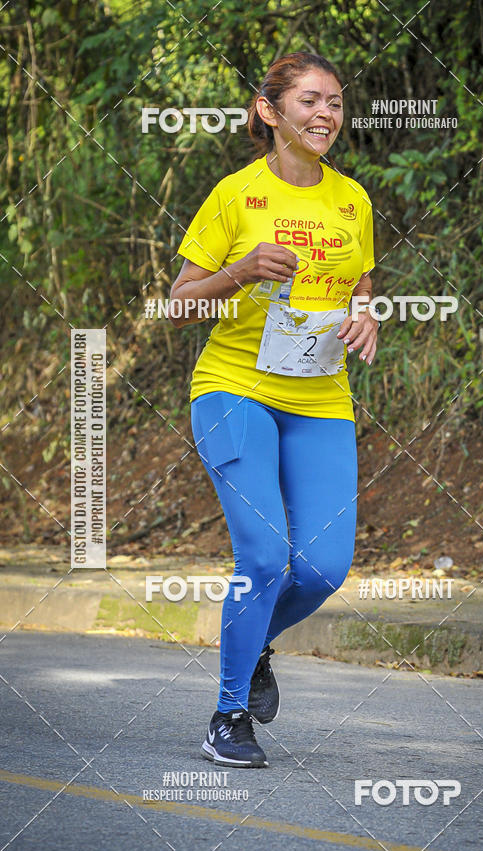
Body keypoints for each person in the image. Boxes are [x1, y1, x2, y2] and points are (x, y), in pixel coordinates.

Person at [169, 51, 377, 768]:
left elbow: (361, 285)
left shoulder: (352, 199)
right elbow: (178, 302)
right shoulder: (235, 194)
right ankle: (228, 716)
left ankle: (255, 641)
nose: (327, 114)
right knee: (263, 553)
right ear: (270, 111)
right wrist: (240, 270)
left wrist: (367, 318)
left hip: (320, 396)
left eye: (336, 104)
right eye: (311, 101)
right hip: (235, 389)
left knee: (321, 567)